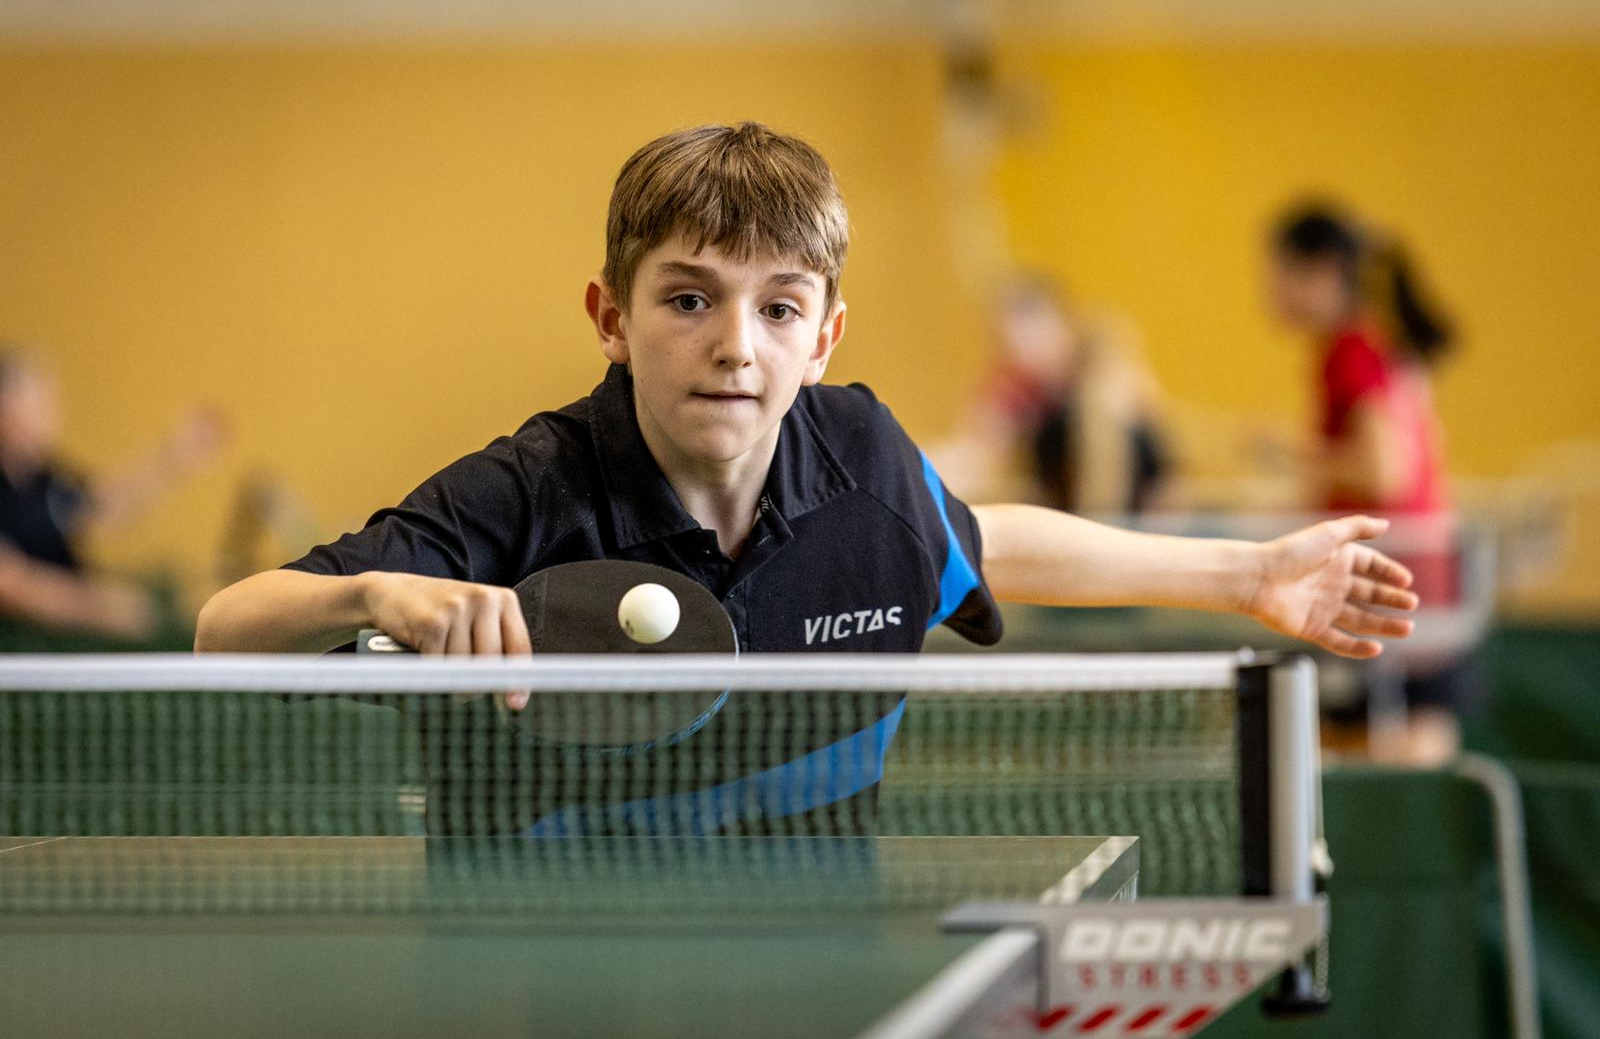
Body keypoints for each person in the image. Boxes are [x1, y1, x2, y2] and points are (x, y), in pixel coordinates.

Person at [197, 124, 1417, 833]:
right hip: (544, 978)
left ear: (824, 336)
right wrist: (372, 594)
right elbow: (224, 631)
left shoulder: (864, 461)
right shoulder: (524, 491)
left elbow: (972, 542)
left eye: (778, 308)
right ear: (610, 318)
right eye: (688, 300)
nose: (736, 346)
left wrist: (1247, 575)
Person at [1267, 201, 1461, 762]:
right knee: (1416, 730)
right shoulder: (1377, 342)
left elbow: (1385, 471)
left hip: (1396, 575)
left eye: (1279, 274)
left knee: (1387, 742)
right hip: (1417, 574)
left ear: (1323, 271)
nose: (1271, 291)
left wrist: (1289, 452)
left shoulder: (1350, 349)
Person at [0, 350, 227, 645]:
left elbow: (100, 510)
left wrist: (172, 459)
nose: (50, 414)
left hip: (66, 639)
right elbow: (9, 583)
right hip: (22, 644)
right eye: (38, 401)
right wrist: (97, 607)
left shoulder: (45, 479)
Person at [933, 274, 1172, 515]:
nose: (1020, 351)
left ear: (1062, 322)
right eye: (1006, 340)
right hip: (1068, 502)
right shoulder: (1017, 385)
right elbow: (976, 451)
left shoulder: (1101, 366)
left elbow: (1113, 459)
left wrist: (1095, 520)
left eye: (1029, 333)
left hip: (1137, 504)